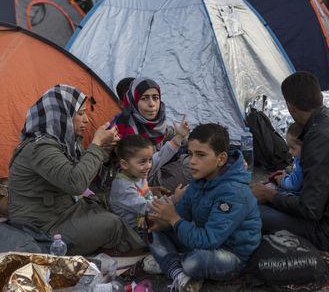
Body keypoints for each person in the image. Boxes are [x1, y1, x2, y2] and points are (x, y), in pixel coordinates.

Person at [7, 85, 144, 255]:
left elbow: (79, 166)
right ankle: (144, 249)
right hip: (40, 229)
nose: (86, 120)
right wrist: (96, 144)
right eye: (80, 114)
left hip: (60, 213)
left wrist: (104, 150)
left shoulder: (58, 143)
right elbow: (76, 183)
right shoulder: (40, 148)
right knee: (111, 223)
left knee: (102, 202)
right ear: (62, 116)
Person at [251, 72, 329, 253]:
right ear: (319, 97)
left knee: (245, 211)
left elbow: (310, 210)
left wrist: (268, 195)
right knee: (267, 198)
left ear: (291, 107)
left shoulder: (319, 137)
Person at [146, 123, 261, 291]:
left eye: (200, 155)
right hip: (202, 238)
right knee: (152, 231)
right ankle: (177, 272)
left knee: (195, 262)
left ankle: (170, 261)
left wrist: (173, 219)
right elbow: (182, 214)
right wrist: (164, 222)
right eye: (190, 154)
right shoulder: (201, 179)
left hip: (231, 253)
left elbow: (208, 240)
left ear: (221, 159)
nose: (192, 162)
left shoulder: (233, 192)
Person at [110, 134, 180, 232]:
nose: (148, 166)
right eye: (142, 162)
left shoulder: (136, 174)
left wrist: (179, 137)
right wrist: (174, 198)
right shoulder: (123, 187)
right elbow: (147, 207)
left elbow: (159, 156)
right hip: (135, 230)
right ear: (125, 164)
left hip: (147, 217)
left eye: (149, 160)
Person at [268, 123, 303, 193]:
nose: (289, 151)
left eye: (293, 148)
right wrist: (289, 171)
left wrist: (282, 180)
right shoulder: (299, 158)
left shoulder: (302, 163)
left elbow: (294, 185)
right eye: (289, 147)